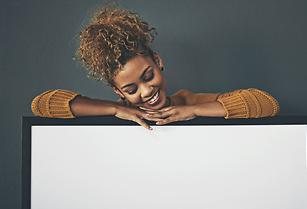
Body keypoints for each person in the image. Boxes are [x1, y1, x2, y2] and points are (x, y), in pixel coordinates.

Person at [31, 3, 279, 130]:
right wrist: (116, 110)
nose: (146, 91)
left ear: (158, 62)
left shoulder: (191, 101)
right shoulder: (117, 110)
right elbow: (42, 104)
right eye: (130, 89)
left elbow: (267, 104)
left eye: (148, 76)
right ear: (118, 92)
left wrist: (194, 111)